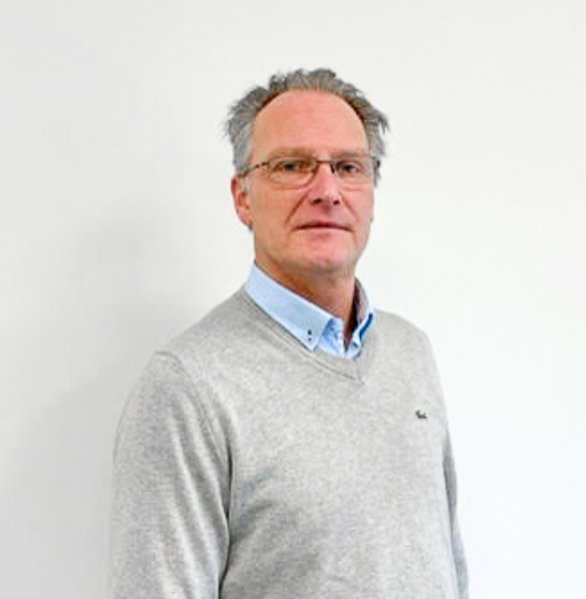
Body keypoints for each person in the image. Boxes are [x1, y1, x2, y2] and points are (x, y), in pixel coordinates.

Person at [111, 68, 468, 599]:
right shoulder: (187, 387)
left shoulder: (409, 352)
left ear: (371, 193)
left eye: (348, 167)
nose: (327, 191)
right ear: (243, 198)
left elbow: (448, 567)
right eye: (292, 166)